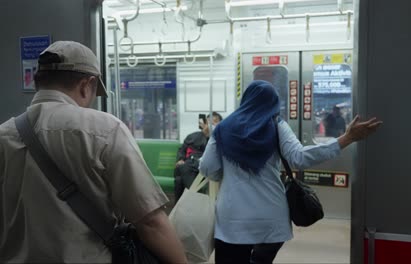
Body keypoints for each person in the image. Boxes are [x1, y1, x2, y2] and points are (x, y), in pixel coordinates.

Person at [0, 41, 187, 263]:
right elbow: (150, 222)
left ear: (38, 81)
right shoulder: (105, 130)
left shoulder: (4, 133)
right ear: (86, 85)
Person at [199, 80, 382, 264]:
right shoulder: (276, 125)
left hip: (233, 220)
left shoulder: (223, 128)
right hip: (270, 219)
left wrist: (228, 176)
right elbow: (299, 157)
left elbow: (207, 167)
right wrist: (347, 138)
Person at [174, 112, 223, 202]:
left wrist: (209, 135)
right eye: (208, 121)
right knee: (180, 175)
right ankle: (195, 199)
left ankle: (189, 203)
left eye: (214, 122)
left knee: (180, 178)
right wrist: (180, 159)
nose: (211, 124)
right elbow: (182, 150)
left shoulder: (218, 138)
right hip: (190, 165)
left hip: (204, 168)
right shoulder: (192, 136)